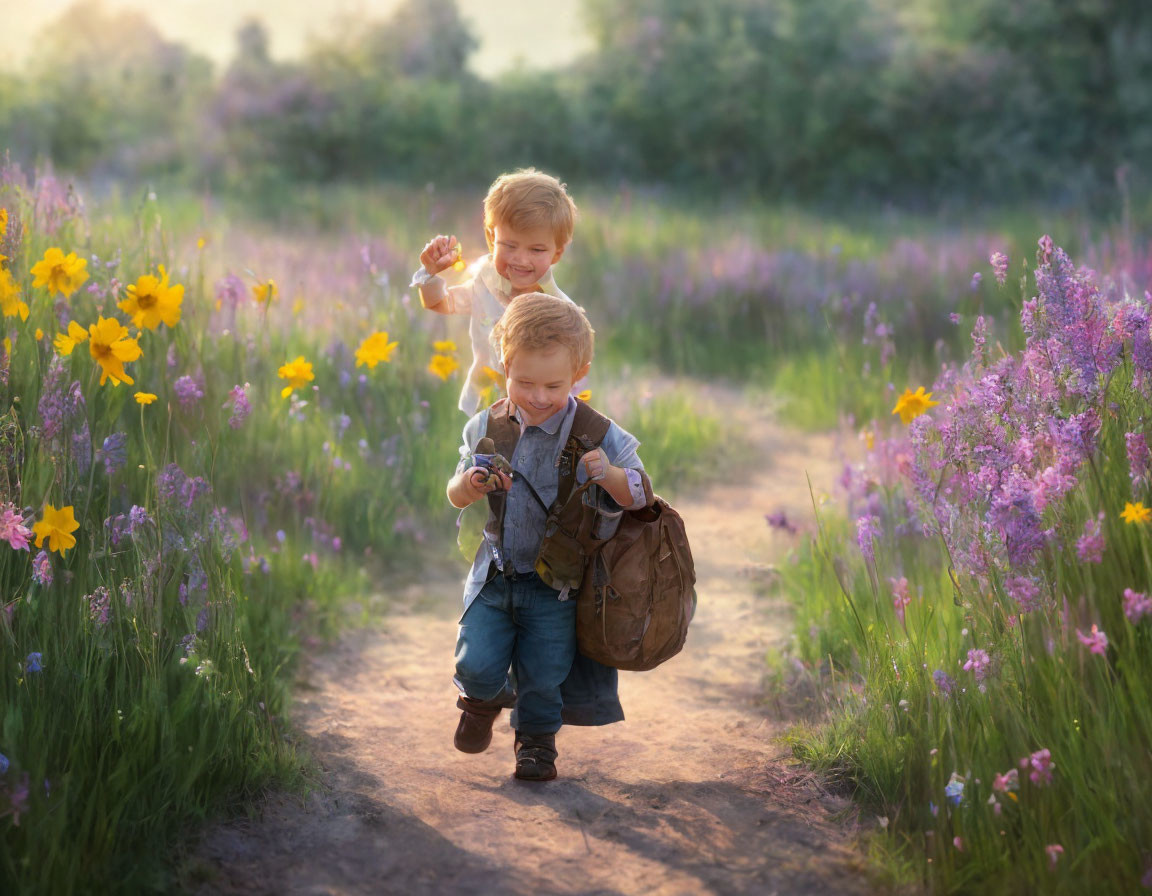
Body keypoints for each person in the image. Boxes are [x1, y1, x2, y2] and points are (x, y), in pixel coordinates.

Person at [446, 293, 652, 781]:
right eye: (524, 382)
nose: (538, 396)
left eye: (554, 385)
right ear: (504, 367)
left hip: (556, 585)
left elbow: (643, 494)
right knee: (474, 662)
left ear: (580, 373)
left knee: (544, 675)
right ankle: (480, 700)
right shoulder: (487, 425)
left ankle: (536, 743)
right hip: (496, 572)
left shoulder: (596, 432)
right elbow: (454, 494)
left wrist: (608, 476)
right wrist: (470, 486)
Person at [412, 168, 584, 415]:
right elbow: (440, 303)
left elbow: (570, 373)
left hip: (537, 414)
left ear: (557, 253)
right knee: (477, 454)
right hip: (483, 406)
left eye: (536, 250)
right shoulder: (485, 284)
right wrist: (430, 273)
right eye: (509, 245)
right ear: (492, 239)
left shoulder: (562, 311)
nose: (521, 259)